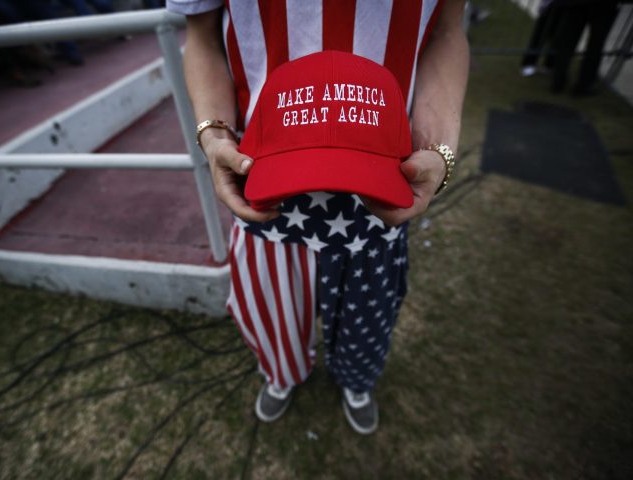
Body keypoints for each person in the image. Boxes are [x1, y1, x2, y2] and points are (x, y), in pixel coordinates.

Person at [168, 0, 468, 434]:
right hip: (265, 171)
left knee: (370, 312)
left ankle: (357, 379)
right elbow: (202, 37)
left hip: (382, 170)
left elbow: (446, 30)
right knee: (272, 310)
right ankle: (282, 371)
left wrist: (441, 146)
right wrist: (213, 134)